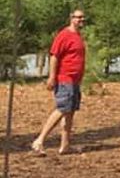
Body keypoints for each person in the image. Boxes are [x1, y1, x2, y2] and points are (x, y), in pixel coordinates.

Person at [31, 8, 87, 155]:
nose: (81, 20)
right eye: (78, 17)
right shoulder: (64, 35)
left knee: (70, 112)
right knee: (62, 109)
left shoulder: (78, 36)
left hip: (75, 81)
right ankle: (39, 141)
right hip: (64, 79)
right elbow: (54, 56)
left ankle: (65, 145)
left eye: (82, 18)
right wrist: (52, 77)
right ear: (71, 18)